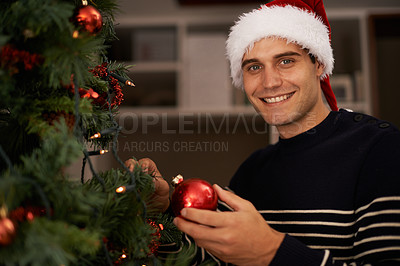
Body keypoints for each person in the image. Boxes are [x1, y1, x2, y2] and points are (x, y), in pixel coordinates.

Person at [126, 0, 400, 264]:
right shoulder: (252, 171)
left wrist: (271, 251)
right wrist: (160, 212)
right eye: (254, 67)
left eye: (285, 61)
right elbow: (207, 260)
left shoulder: (381, 148)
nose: (269, 82)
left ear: (318, 64)